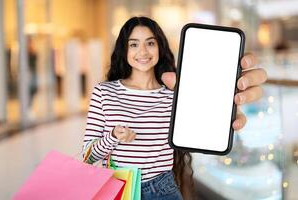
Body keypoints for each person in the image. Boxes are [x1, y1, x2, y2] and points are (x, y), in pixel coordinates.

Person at [83, 16, 267, 200]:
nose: (143, 51)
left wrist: (222, 110)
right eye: (133, 44)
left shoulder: (175, 96)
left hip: (162, 190)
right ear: (124, 49)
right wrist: (113, 136)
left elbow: (199, 135)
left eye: (150, 43)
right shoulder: (104, 92)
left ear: (160, 47)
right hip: (118, 189)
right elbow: (87, 157)